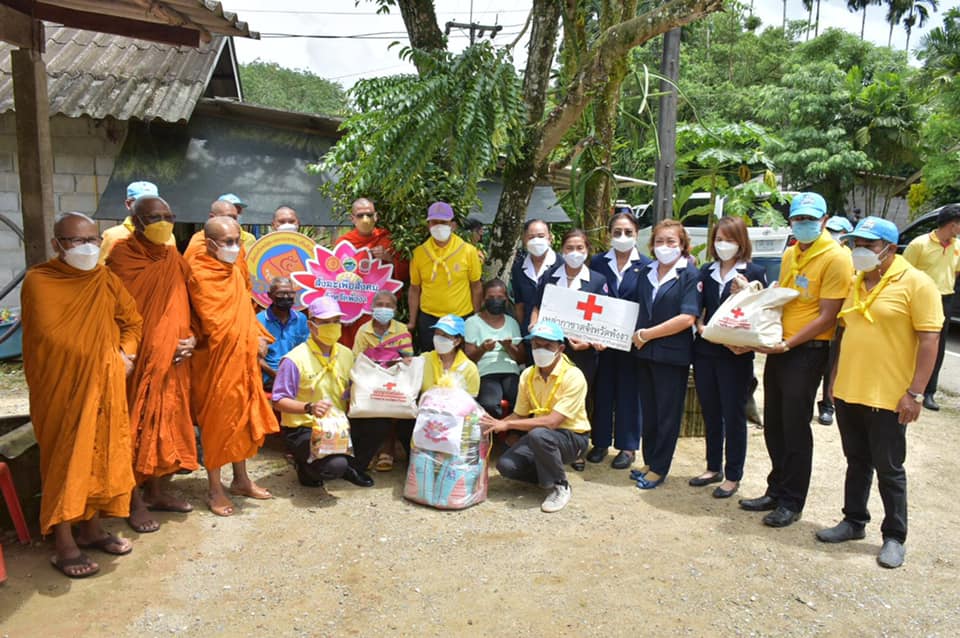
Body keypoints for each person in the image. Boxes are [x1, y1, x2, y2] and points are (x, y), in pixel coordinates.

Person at [817, 216, 943, 569]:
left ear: (890, 248)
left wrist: (916, 393)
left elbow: (930, 340)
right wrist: (834, 381)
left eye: (869, 246)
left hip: (889, 396)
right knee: (856, 461)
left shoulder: (916, 283)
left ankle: (894, 536)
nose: (860, 251)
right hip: (849, 391)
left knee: (889, 467)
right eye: (856, 244)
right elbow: (845, 335)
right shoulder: (857, 281)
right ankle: (854, 520)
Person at [22, 212, 142, 578]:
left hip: (105, 386)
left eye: (92, 239)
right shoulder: (39, 281)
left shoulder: (105, 279)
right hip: (63, 389)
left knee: (101, 455)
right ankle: (63, 543)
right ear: (57, 244)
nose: (87, 247)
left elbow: (132, 321)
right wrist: (102, 359)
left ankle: (91, 530)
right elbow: (53, 338)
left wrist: (126, 354)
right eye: (77, 241)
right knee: (66, 458)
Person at [740, 192, 853, 527]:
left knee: (794, 425)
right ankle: (775, 489)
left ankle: (792, 500)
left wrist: (788, 344)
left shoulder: (836, 257)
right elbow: (785, 297)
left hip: (807, 351)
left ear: (824, 220)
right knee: (774, 422)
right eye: (798, 219)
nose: (803, 224)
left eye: (810, 219)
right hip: (780, 347)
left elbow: (827, 316)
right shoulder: (791, 252)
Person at [106, 196, 198, 534]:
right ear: (136, 221)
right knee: (135, 427)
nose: (163, 222)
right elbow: (110, 312)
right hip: (137, 362)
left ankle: (158, 491)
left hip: (174, 361)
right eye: (154, 217)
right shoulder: (121, 257)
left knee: (167, 425)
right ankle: (133, 500)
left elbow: (193, 304)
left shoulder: (175, 257)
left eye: (168, 216)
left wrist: (193, 340)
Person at [187, 216, 279, 517]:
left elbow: (245, 311)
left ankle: (241, 479)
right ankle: (214, 488)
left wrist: (256, 336)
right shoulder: (199, 273)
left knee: (242, 419)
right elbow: (213, 324)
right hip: (214, 362)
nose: (235, 247)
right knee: (216, 424)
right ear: (210, 244)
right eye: (228, 242)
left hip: (242, 360)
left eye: (238, 240)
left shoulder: (235, 269)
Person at [690, 216, 767, 498]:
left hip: (735, 356)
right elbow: (699, 308)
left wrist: (746, 289)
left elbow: (762, 311)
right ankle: (713, 467)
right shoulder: (705, 271)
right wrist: (699, 324)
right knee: (710, 412)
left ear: (742, 242)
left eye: (730, 239)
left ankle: (733, 475)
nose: (723, 245)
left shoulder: (755, 272)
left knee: (733, 414)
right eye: (719, 239)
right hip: (705, 351)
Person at [481, 321, 590, 513]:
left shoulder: (573, 375)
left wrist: (507, 426)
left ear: (561, 348)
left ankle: (560, 485)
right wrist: (495, 424)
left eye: (548, 346)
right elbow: (519, 414)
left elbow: (553, 421)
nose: (541, 350)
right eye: (536, 345)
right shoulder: (527, 375)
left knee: (538, 434)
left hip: (572, 438)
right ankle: (548, 475)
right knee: (506, 466)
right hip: (541, 436)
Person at [272, 297, 380, 490]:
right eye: (325, 322)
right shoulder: (295, 359)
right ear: (311, 325)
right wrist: (309, 408)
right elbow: (278, 400)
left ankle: (353, 467)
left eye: (336, 321)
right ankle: (307, 467)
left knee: (378, 422)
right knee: (334, 465)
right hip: (305, 427)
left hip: (339, 423)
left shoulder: (346, 354)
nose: (332, 327)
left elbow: (353, 386)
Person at [626, 219, 701, 489]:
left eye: (672, 242)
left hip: (671, 355)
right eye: (659, 241)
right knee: (650, 411)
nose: (665, 247)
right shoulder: (646, 271)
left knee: (667, 413)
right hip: (644, 354)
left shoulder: (690, 274)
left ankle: (660, 468)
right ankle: (649, 461)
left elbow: (687, 317)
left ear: (682, 245)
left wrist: (647, 335)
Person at [530, 228, 609, 471]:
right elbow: (537, 307)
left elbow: (605, 318)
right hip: (552, 349)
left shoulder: (597, 281)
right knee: (552, 396)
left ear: (587, 252)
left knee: (581, 399)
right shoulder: (551, 276)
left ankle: (577, 449)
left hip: (584, 351)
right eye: (569, 248)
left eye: (580, 249)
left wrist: (589, 341)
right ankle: (550, 445)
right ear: (562, 251)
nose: (574, 253)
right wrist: (534, 324)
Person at [588, 211, 650, 469]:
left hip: (633, 342)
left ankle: (627, 446)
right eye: (617, 233)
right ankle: (600, 441)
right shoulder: (597, 263)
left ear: (637, 234)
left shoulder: (647, 265)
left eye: (628, 233)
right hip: (602, 342)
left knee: (629, 392)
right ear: (608, 235)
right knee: (602, 391)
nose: (622, 237)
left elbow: (647, 304)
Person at [902, 204, 960, 411]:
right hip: (918, 299)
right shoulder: (919, 244)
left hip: (944, 299)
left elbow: (956, 272)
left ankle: (929, 392)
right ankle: (906, 383)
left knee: (937, 346)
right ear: (952, 225)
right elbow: (904, 273)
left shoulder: (957, 246)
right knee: (911, 343)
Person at [352, 290, 415, 471]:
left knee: (393, 401)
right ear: (372, 307)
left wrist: (391, 364)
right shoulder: (363, 331)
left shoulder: (401, 330)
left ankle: (387, 448)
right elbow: (357, 360)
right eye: (380, 305)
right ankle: (370, 451)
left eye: (388, 306)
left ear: (395, 309)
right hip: (369, 380)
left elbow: (408, 359)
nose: (384, 309)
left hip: (394, 378)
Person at [407, 202, 483, 352]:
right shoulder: (419, 253)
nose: (439, 226)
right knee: (431, 360)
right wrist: (412, 321)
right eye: (435, 222)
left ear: (453, 225)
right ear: (428, 225)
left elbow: (476, 286)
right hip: (430, 319)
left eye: (444, 222)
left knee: (461, 363)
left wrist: (477, 315)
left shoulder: (468, 251)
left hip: (461, 317)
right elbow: (415, 289)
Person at [338, 198, 409, 347]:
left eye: (369, 215)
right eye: (360, 215)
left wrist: (388, 258)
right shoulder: (344, 243)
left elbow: (403, 273)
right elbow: (334, 276)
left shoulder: (386, 240)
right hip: (352, 304)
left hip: (377, 305)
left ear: (376, 217)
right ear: (352, 219)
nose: (365, 219)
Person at [464, 279, 525, 418]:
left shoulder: (512, 322)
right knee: (489, 403)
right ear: (484, 300)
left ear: (506, 299)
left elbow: (522, 357)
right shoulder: (472, 322)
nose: (495, 301)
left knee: (520, 400)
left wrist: (509, 347)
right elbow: (468, 357)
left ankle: (513, 433)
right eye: (491, 297)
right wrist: (483, 349)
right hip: (486, 371)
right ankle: (494, 433)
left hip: (510, 371)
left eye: (500, 297)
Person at [817, 215, 854, 426]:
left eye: (838, 232)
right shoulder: (822, 254)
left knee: (833, 365)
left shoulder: (848, 257)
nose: (833, 235)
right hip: (821, 318)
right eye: (830, 230)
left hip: (842, 321)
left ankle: (828, 405)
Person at [99, 181, 175, 262]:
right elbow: (103, 270)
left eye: (152, 202)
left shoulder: (169, 236)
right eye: (141, 202)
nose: (148, 206)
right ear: (128, 204)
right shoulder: (113, 235)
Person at [256, 277, 310, 391]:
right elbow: (255, 357)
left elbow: (306, 350)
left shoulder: (301, 319)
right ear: (270, 295)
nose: (286, 297)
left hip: (294, 375)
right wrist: (276, 376)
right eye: (281, 293)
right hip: (267, 377)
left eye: (290, 293)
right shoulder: (259, 320)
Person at [510, 219, 557, 338]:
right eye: (531, 237)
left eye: (541, 236)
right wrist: (523, 328)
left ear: (550, 238)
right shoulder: (518, 268)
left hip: (556, 333)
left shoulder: (562, 265)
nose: (536, 241)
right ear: (524, 240)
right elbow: (519, 304)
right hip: (530, 333)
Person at [419, 314, 480, 396]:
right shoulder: (424, 359)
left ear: (457, 341)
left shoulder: (469, 369)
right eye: (437, 334)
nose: (438, 338)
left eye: (444, 336)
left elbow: (471, 400)